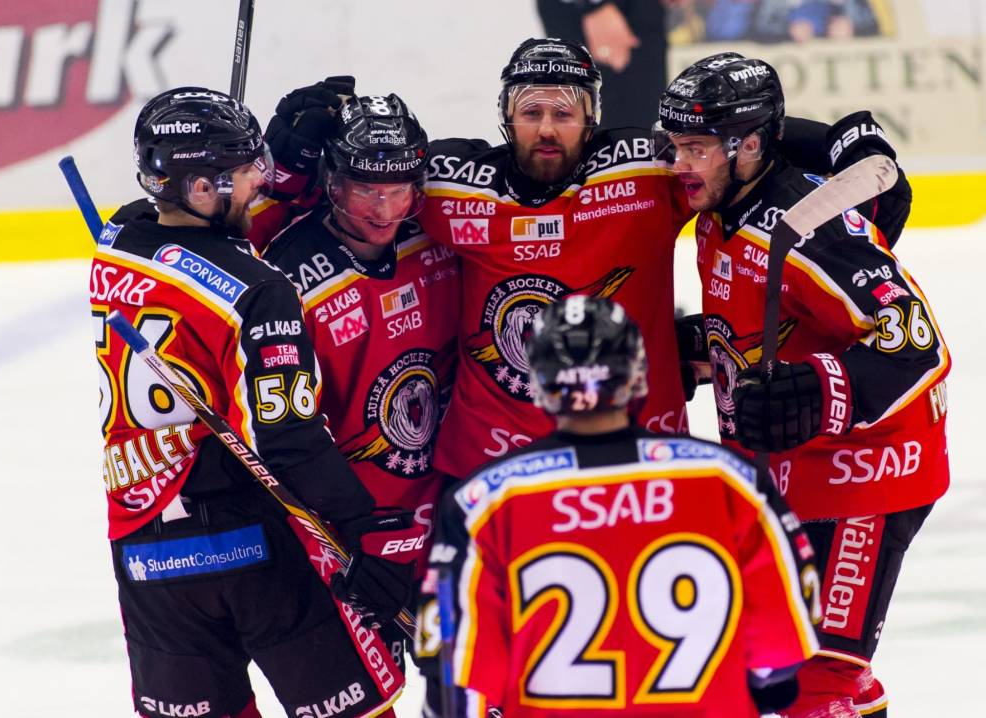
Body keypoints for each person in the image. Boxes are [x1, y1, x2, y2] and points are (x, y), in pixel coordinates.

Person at [91, 87, 422, 718]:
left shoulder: (115, 244)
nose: (259, 183)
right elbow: (289, 438)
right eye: (246, 172)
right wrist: (363, 532)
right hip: (254, 547)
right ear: (200, 187)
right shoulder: (259, 290)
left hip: (144, 549)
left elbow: (157, 216)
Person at [656, 54, 951, 717]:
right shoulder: (719, 210)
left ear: (749, 146)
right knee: (787, 663)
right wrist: (700, 349)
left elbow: (914, 346)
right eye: (676, 144)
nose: (678, 164)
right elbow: (772, 326)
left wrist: (816, 392)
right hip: (796, 473)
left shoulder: (805, 227)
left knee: (817, 677)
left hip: (867, 472)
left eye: (696, 148)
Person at [425, 295, 821, 717]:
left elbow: (456, 687)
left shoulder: (483, 502)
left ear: (539, 384)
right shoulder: (729, 481)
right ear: (637, 375)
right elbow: (780, 655)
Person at [418, 37, 695, 482]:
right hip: (496, 470)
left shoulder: (648, 171)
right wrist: (302, 155)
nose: (546, 129)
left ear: (591, 118)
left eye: (563, 114)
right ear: (506, 116)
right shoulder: (452, 186)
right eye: (531, 113)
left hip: (638, 461)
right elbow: (356, 187)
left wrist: (806, 130)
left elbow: (740, 156)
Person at [261, 92, 461, 665]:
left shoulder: (441, 237)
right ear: (332, 183)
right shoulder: (286, 271)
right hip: (355, 531)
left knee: (465, 687)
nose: (384, 209)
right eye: (365, 189)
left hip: (450, 517)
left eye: (399, 190)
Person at [536, 0, 674, 129]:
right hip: (598, 13)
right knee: (618, 129)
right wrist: (595, 5)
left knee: (643, 128)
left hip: (637, 14)